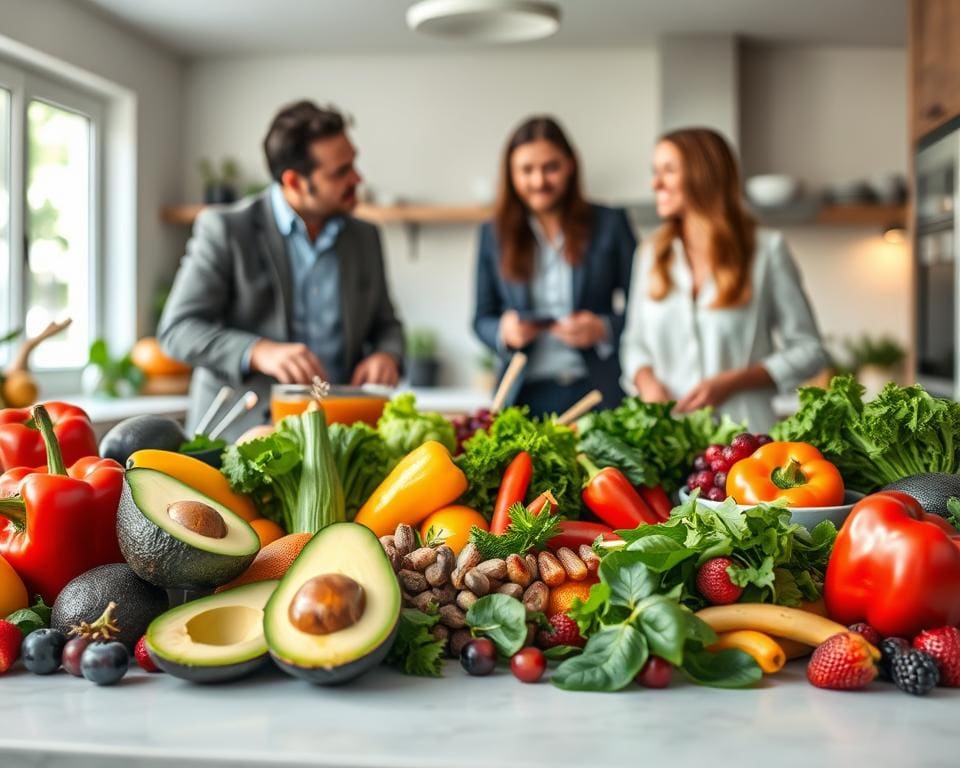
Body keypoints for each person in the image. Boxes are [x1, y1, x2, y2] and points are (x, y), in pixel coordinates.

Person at [159, 100, 404, 439]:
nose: (357, 178)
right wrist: (258, 351)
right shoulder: (226, 229)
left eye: (353, 163)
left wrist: (386, 355)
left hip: (336, 437)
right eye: (340, 172)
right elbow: (177, 330)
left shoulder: (366, 237)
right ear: (294, 181)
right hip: (238, 436)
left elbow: (386, 324)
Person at [620, 127, 827, 432]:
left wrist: (733, 382)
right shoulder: (650, 253)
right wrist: (647, 382)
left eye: (668, 171)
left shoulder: (767, 250)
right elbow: (634, 343)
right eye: (655, 172)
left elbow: (810, 350)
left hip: (744, 441)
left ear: (703, 176)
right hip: (668, 439)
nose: (655, 183)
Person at [473, 116, 637, 417]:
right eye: (527, 170)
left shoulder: (610, 223)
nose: (539, 181)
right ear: (511, 174)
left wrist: (603, 328)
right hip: (521, 396)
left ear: (570, 165)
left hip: (598, 393)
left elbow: (643, 310)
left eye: (551, 167)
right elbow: (481, 317)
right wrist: (504, 331)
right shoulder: (493, 233)